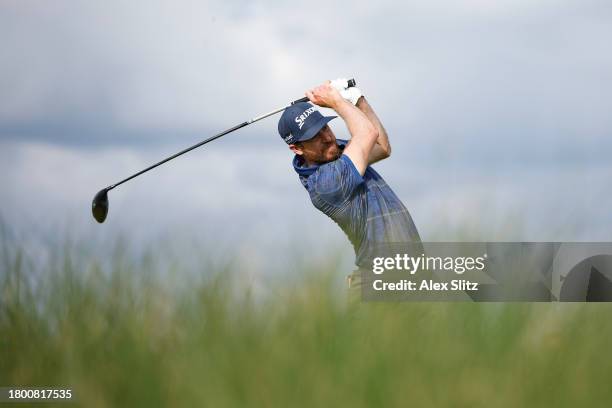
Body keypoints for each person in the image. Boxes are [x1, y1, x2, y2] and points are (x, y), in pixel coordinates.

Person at [278, 79, 422, 296]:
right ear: (297, 148)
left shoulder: (336, 154)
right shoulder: (326, 184)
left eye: (325, 127)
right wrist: (336, 100)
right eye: (314, 137)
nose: (327, 137)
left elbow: (381, 147)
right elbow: (367, 134)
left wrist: (357, 99)